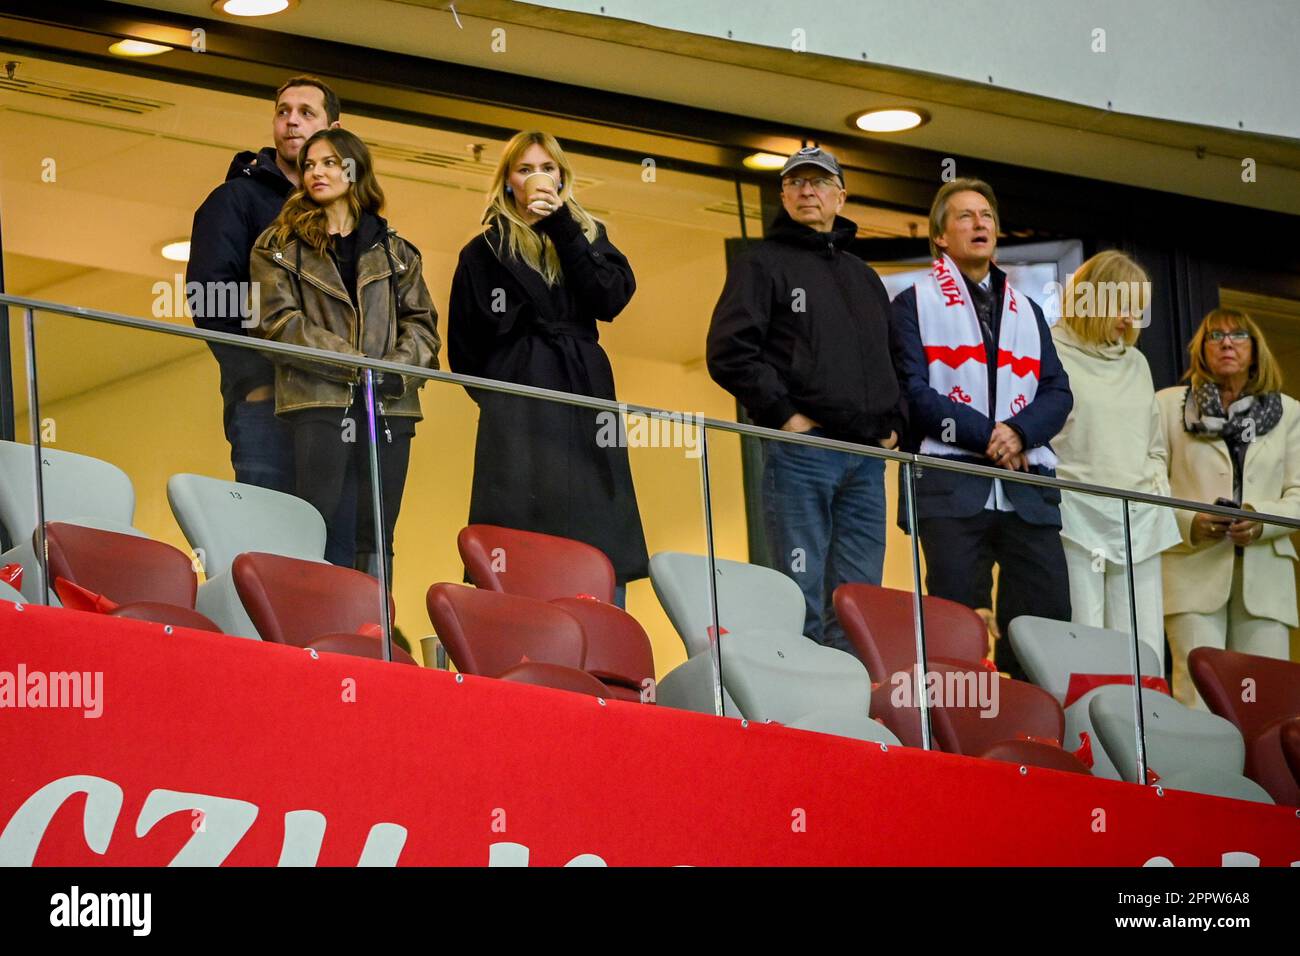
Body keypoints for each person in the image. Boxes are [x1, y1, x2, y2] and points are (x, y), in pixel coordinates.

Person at [707, 146, 903, 653]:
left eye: (818, 182)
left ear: (841, 195)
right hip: (803, 454)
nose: (807, 191)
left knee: (857, 606)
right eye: (796, 183)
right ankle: (799, 722)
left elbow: (894, 359)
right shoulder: (762, 262)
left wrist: (894, 426)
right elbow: (730, 352)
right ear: (783, 195)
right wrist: (787, 417)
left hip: (865, 460)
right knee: (801, 601)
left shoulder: (864, 277)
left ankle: (846, 726)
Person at [448, 131, 647, 605]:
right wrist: (506, 391)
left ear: (562, 177)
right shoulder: (483, 251)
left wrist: (563, 228)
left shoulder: (589, 234)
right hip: (518, 409)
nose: (537, 178)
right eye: (525, 169)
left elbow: (610, 298)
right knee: (517, 524)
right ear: (507, 182)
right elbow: (465, 351)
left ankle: (599, 627)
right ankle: (515, 634)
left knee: (595, 521)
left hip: (583, 396)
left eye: (547, 168)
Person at [890, 177, 1073, 680]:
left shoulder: (1028, 310)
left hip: (1028, 492)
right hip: (951, 488)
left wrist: (1016, 432)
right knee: (956, 625)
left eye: (987, 216)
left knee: (1044, 621)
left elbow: (1058, 392)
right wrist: (988, 436)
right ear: (941, 237)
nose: (980, 224)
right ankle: (961, 744)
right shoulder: (913, 303)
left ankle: (1037, 738)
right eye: (966, 216)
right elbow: (912, 391)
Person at [251, 128, 440, 580]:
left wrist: (391, 371)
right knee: (316, 522)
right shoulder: (279, 247)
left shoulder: (398, 253)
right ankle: (309, 628)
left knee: (378, 533)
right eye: (310, 164)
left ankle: (372, 631)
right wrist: (355, 364)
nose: (316, 172)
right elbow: (279, 323)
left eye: (330, 162)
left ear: (355, 170)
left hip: (389, 406)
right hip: (318, 400)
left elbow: (424, 329)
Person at [188, 76, 341, 494]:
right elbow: (211, 296)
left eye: (306, 113)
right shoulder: (236, 199)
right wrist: (256, 380)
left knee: (340, 547)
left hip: (337, 406)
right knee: (272, 536)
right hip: (267, 406)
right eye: (283, 111)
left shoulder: (349, 213)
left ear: (335, 131)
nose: (291, 122)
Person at [1157, 308, 1300, 708]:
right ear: (1200, 350)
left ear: (1255, 350)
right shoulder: (1169, 407)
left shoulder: (1289, 413)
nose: (1226, 343)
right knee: (1197, 698)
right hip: (1192, 566)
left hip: (1266, 574)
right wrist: (1190, 521)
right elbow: (1150, 490)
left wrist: (1260, 519)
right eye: (1215, 336)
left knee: (1264, 702)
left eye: (1238, 335)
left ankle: (1262, 775)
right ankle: (1201, 773)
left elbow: (1299, 495)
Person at [1051, 251, 1181, 670]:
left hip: (1140, 519)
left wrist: (1155, 487)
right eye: (1123, 307)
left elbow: (1154, 444)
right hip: (1074, 516)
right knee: (1083, 639)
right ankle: (1085, 734)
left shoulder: (1138, 364)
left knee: (1142, 647)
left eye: (1138, 310)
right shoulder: (1052, 351)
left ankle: (1145, 734)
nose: (1131, 321)